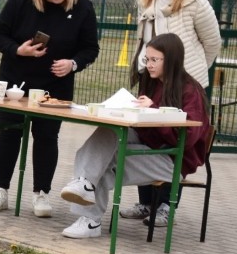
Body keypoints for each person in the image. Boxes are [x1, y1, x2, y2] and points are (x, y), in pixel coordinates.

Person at [59, 33, 211, 237]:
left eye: (155, 60)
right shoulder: (152, 82)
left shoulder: (191, 90)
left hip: (172, 159)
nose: (149, 65)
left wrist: (153, 109)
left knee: (101, 164)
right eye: (147, 59)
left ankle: (90, 220)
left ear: (172, 60)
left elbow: (189, 136)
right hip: (150, 143)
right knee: (107, 134)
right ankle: (83, 184)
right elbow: (144, 122)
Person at [0, 0, 99, 218]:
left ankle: (41, 193)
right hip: (17, 79)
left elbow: (90, 48)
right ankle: (0, 189)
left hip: (55, 85)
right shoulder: (20, 0)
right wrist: (18, 49)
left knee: (47, 136)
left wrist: (73, 64)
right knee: (9, 132)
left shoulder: (83, 7)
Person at [123, 0, 221, 220]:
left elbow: (213, 42)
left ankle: (167, 205)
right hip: (150, 76)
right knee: (147, 133)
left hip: (182, 82)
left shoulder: (196, 2)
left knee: (175, 137)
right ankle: (146, 202)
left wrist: (190, 73)